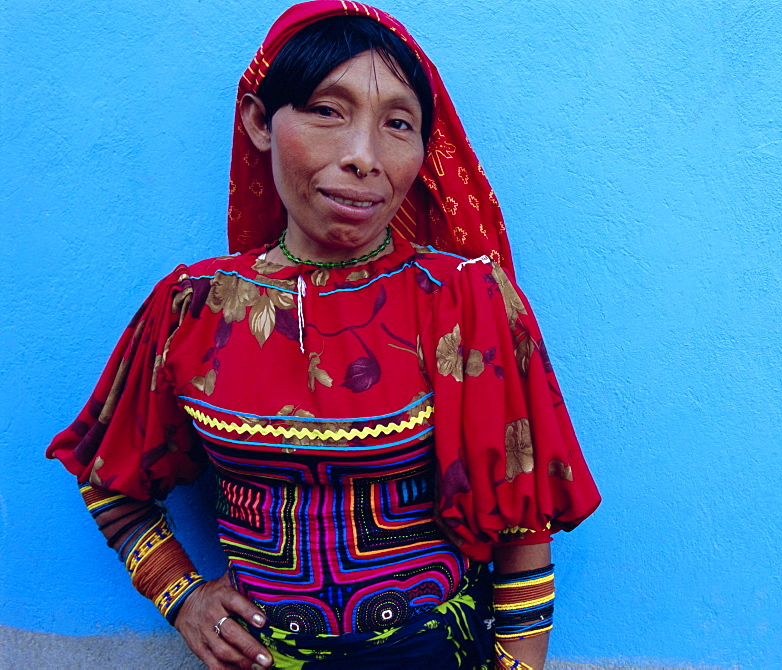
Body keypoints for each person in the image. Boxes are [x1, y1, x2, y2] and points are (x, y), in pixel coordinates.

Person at [47, 3, 600, 668]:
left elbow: (524, 521)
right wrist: (181, 596)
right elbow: (110, 477)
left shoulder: (465, 304)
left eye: (398, 123)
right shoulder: (192, 310)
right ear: (259, 120)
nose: (363, 156)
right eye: (326, 111)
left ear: (425, 149)